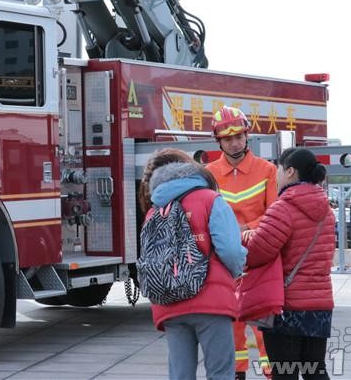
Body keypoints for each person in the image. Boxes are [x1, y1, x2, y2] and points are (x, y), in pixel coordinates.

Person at [140, 148, 246, 380]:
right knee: (220, 373)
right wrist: (236, 272)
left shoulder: (154, 210)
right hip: (212, 302)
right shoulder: (210, 200)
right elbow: (230, 249)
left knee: (180, 374)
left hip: (169, 302)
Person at [243, 148, 335, 380]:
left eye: (279, 170)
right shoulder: (326, 210)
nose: (276, 176)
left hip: (288, 306)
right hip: (320, 303)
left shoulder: (283, 207)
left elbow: (257, 253)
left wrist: (245, 238)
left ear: (290, 171)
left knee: (285, 373)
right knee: (315, 371)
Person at [206, 106, 276, 378]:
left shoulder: (267, 170)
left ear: (247, 136)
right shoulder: (209, 174)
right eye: (227, 138)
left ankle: (273, 374)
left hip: (259, 260)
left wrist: (245, 228)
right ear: (219, 141)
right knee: (231, 326)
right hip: (224, 262)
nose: (234, 143)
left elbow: (275, 213)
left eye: (238, 136)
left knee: (265, 329)